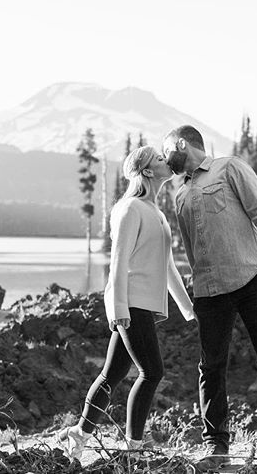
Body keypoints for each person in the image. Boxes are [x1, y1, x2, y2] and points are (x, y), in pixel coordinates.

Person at [162, 125, 257, 470]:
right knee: (210, 367)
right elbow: (189, 247)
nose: (164, 158)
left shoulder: (230, 168)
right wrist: (194, 291)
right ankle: (216, 445)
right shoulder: (180, 194)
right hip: (209, 291)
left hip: (251, 279)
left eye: (166, 150)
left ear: (181, 144)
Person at [58, 146, 195, 460]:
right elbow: (117, 262)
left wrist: (189, 309)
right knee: (152, 372)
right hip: (131, 303)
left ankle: (79, 434)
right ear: (147, 171)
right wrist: (118, 310)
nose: (166, 160)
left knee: (112, 374)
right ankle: (133, 449)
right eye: (159, 159)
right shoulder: (129, 208)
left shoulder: (156, 212)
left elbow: (169, 266)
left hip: (142, 304)